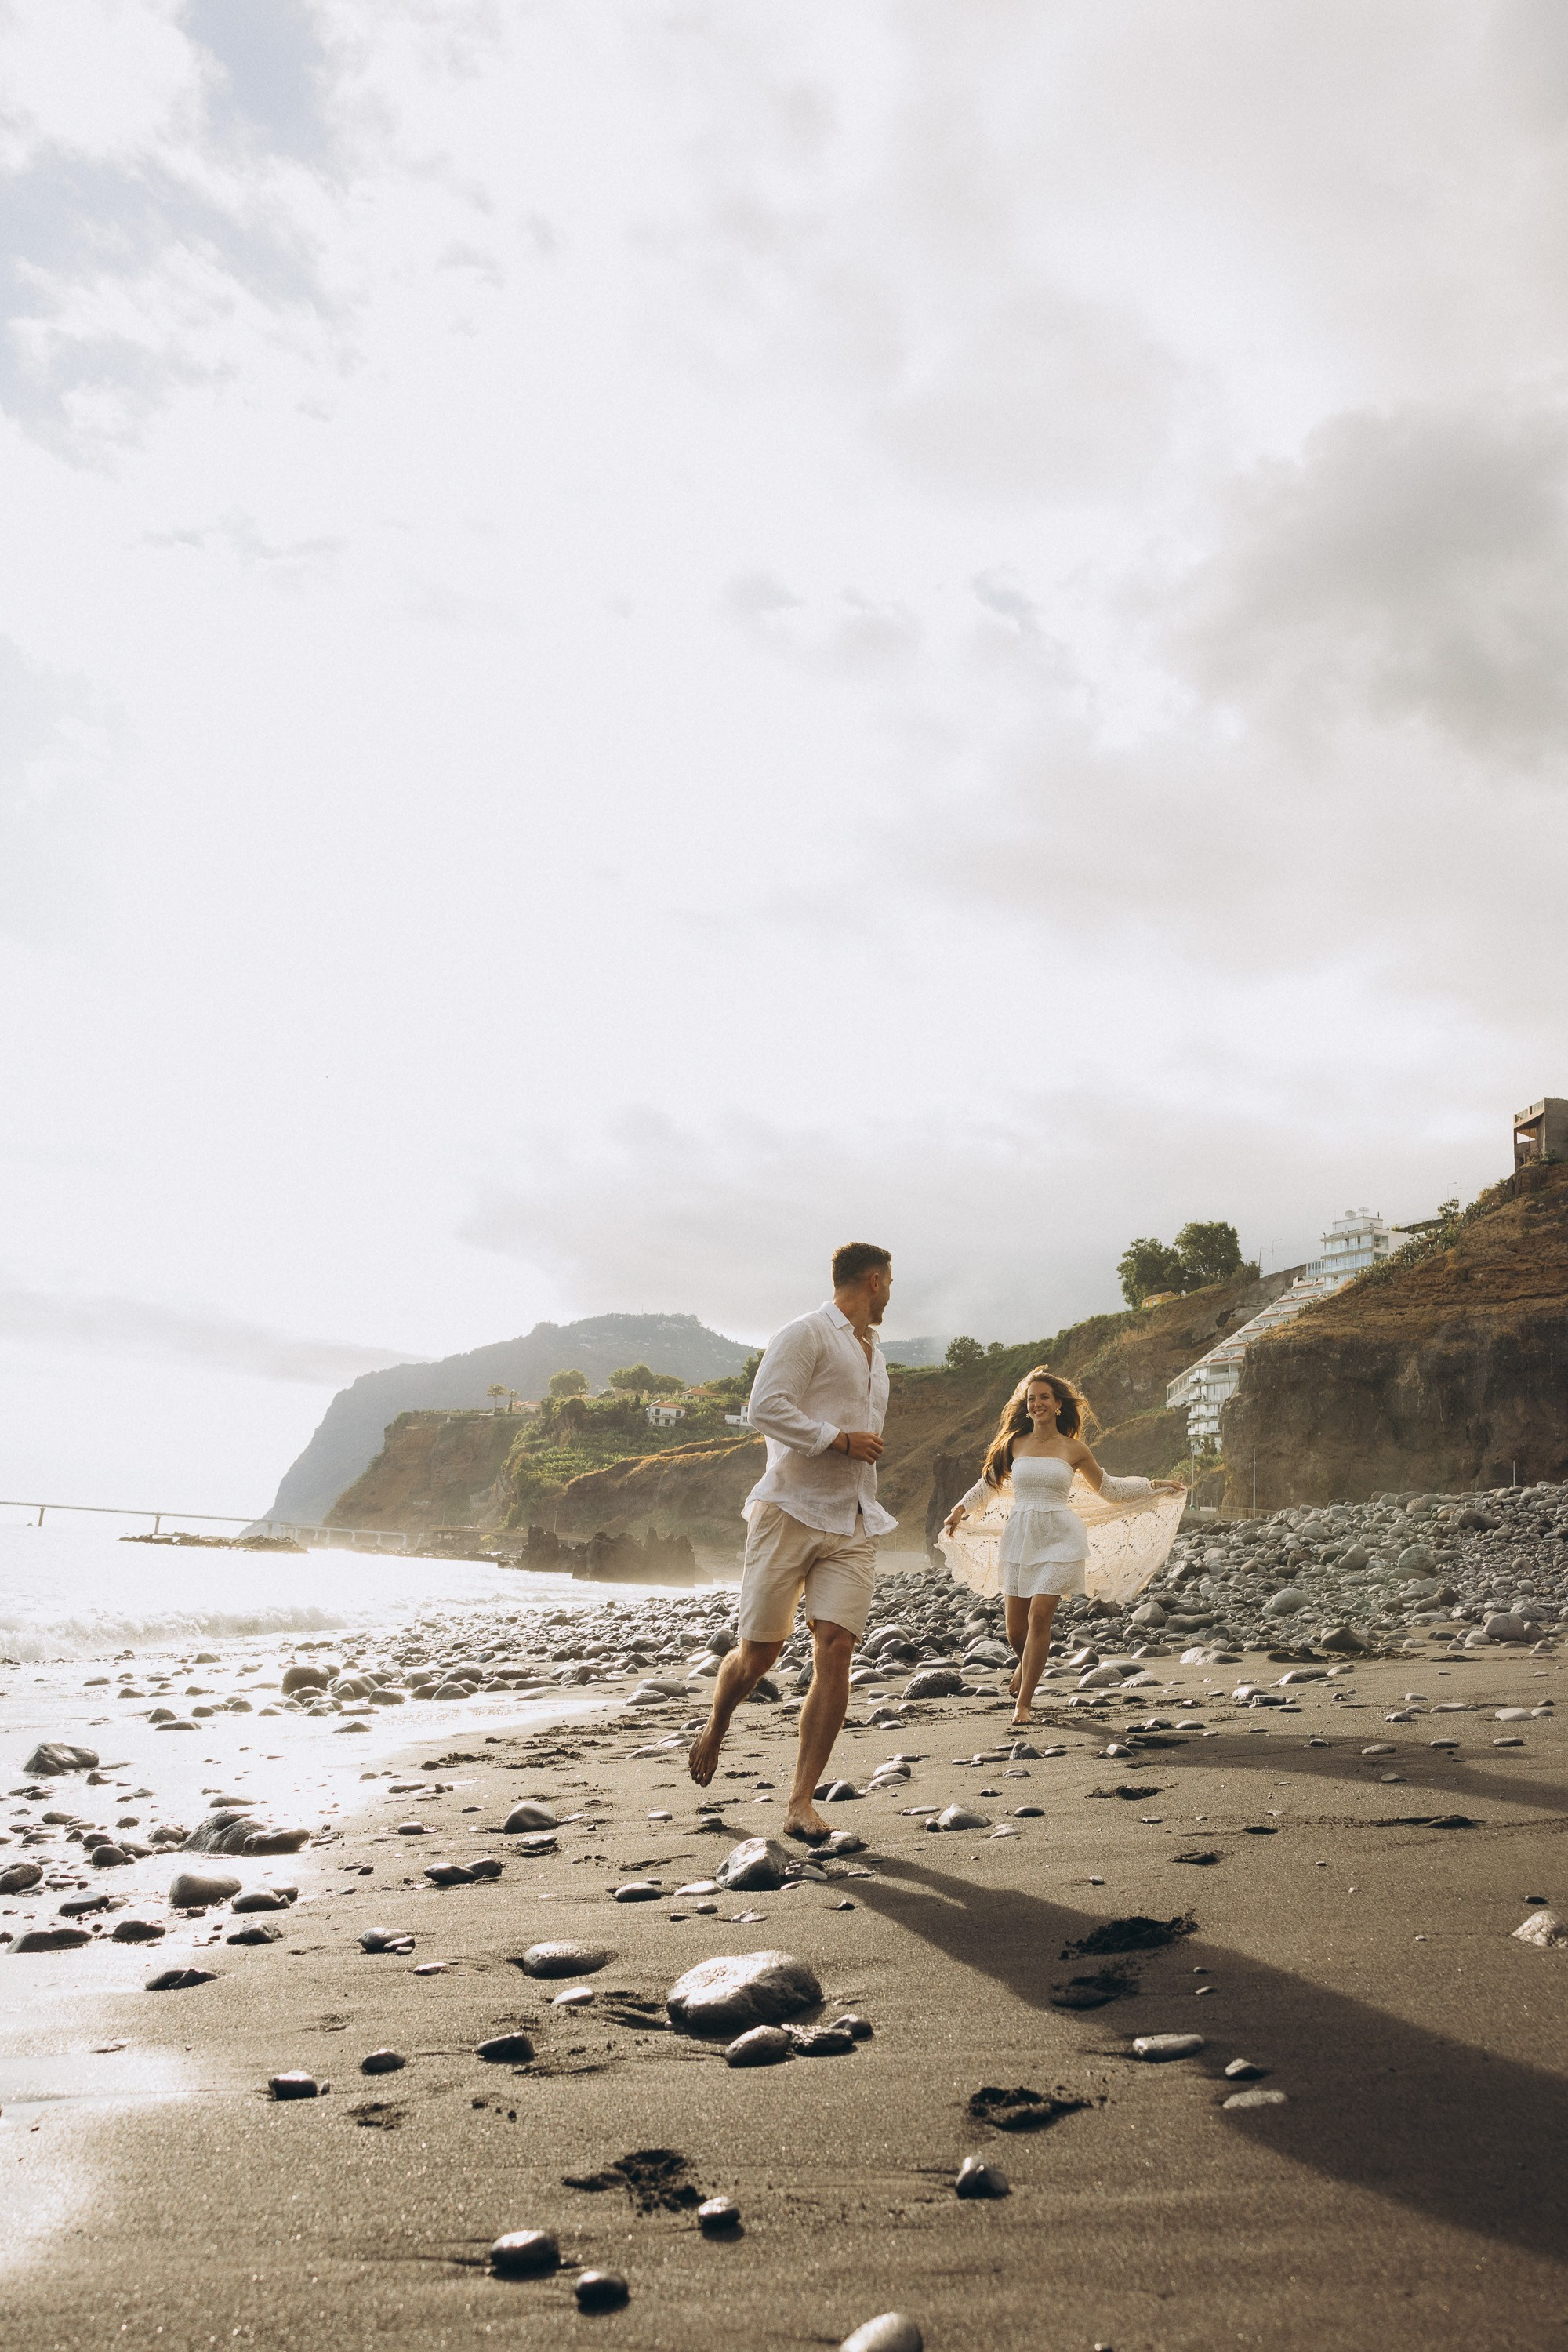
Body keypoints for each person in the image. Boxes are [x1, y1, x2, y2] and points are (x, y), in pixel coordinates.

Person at [688, 1242, 896, 1840]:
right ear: (875, 1281)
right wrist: (838, 1439)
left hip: (854, 1519)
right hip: (789, 1512)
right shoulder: (806, 1333)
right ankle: (717, 1723)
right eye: (889, 1284)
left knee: (835, 1648)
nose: (889, 1295)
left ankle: (800, 1802)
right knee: (759, 1657)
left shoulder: (874, 1354)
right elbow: (763, 1408)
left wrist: (855, 1450)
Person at [942, 1366, 1184, 1728]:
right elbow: (987, 1485)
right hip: (1021, 1538)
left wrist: (1154, 1486)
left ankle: (1024, 1704)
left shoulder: (1074, 1449)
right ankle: (1025, 1662)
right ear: (1025, 1407)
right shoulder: (1013, 1445)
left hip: (1061, 1537)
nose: (1037, 1404)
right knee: (1015, 1632)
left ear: (1058, 1405)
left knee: (1040, 1616)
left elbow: (1110, 1490)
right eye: (1031, 1399)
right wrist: (960, 1510)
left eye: (1044, 1398)